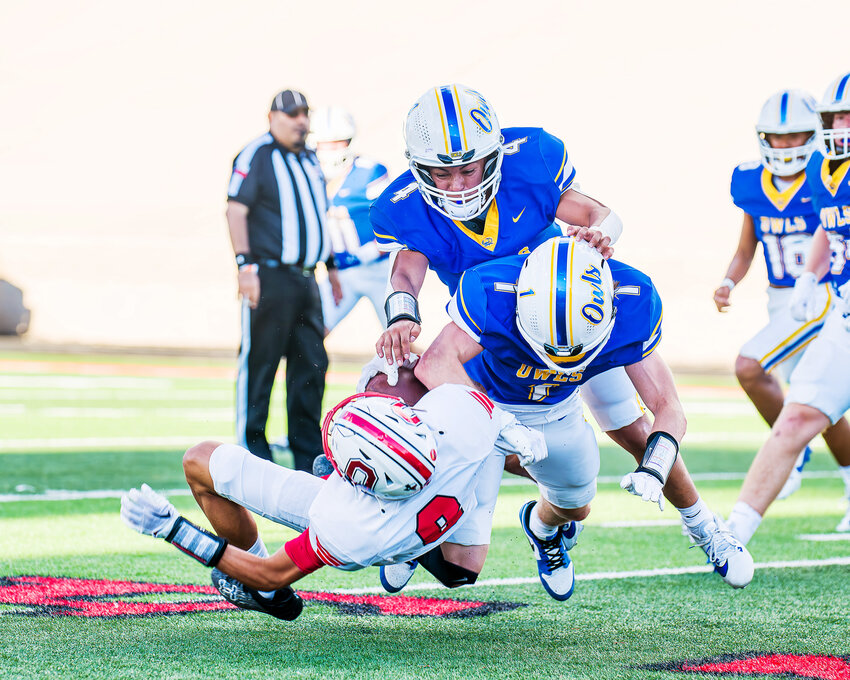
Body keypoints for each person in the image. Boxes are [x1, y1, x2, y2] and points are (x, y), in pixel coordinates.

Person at [369, 83, 736, 583]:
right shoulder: (416, 217)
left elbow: (596, 213)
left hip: (570, 311)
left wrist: (604, 233)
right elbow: (407, 269)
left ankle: (704, 526)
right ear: (419, 168)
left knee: (633, 432)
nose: (457, 185)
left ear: (495, 157)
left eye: (469, 169)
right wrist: (401, 312)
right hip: (496, 326)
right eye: (442, 173)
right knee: (469, 427)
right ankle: (418, 530)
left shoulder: (532, 164)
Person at [386, 236, 754, 601]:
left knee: (577, 506)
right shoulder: (492, 289)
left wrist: (655, 468)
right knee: (459, 570)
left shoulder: (632, 303)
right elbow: (435, 364)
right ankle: (408, 540)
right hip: (483, 403)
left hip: (557, 410)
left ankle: (542, 528)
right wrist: (497, 423)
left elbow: (668, 407)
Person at [120, 369, 546, 620]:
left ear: (354, 480)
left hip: (380, 534)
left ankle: (264, 603)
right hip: (422, 503)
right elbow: (500, 424)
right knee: (204, 459)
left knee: (201, 463)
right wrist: (527, 444)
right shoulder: (459, 416)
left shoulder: (349, 522)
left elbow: (272, 572)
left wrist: (174, 530)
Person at [728, 71, 850, 542]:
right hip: (825, 305)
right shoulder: (826, 172)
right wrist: (808, 274)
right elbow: (829, 224)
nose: (840, 127)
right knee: (811, 411)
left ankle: (796, 459)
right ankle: (731, 539)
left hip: (822, 305)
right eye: (834, 118)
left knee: (751, 365)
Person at [226, 89, 341, 469]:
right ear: (272, 116)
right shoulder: (257, 154)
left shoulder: (309, 158)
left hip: (307, 280)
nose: (300, 121)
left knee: (311, 364)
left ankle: (306, 449)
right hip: (270, 276)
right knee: (261, 361)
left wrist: (332, 267)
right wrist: (245, 266)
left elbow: (317, 217)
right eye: (292, 114)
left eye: (305, 113)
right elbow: (236, 210)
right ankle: (252, 445)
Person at [311, 106, 392, 334]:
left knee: (400, 337)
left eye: (337, 142)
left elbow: (397, 227)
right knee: (314, 331)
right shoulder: (309, 175)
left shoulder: (370, 172)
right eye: (324, 144)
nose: (330, 150)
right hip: (341, 272)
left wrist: (366, 252)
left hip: (379, 269)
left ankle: (427, 369)